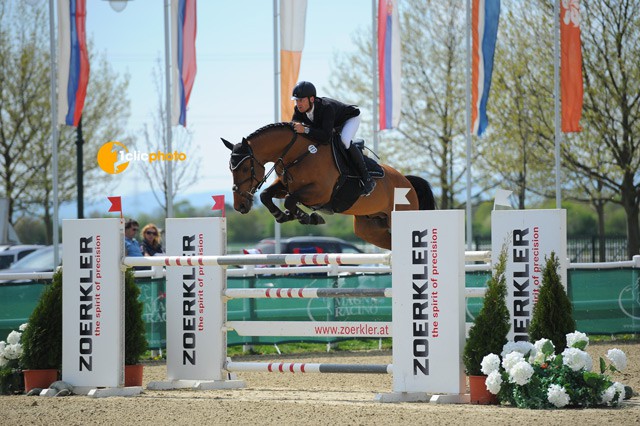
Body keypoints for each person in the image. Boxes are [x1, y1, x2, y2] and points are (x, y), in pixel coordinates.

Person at [290, 81, 375, 195]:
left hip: (349, 119)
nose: (298, 103)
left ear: (311, 99)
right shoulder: (298, 110)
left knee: (344, 141)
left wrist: (305, 129)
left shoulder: (326, 107)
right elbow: (294, 125)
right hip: (332, 125)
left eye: (301, 100)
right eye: (296, 100)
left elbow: (325, 137)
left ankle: (367, 178)